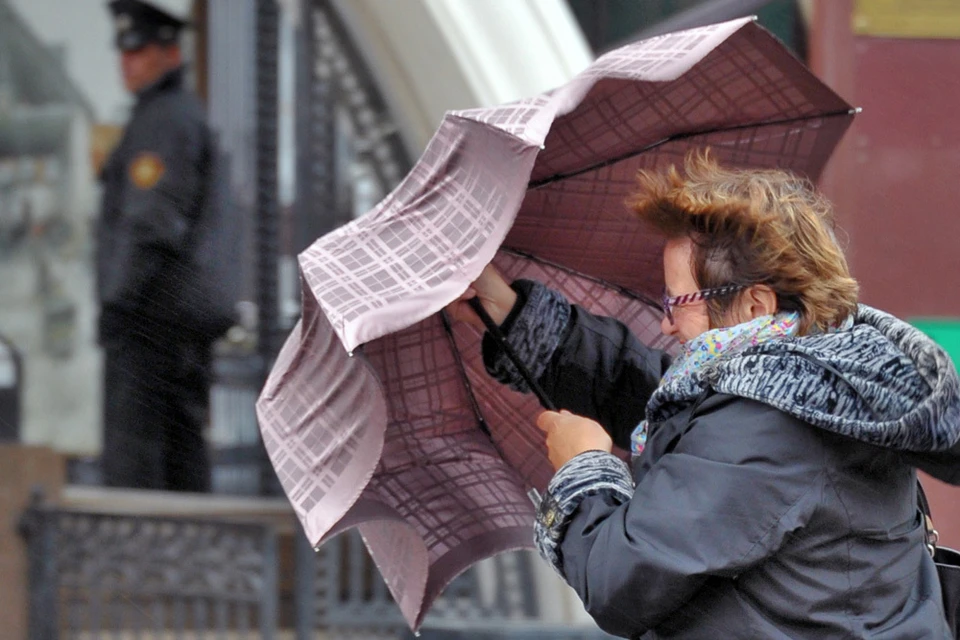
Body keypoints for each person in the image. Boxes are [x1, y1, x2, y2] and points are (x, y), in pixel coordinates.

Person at [447, 151, 960, 638]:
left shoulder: (768, 423)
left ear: (755, 304)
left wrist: (583, 471)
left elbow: (620, 580)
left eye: (678, 301)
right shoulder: (817, 383)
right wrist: (513, 316)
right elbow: (671, 407)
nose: (666, 323)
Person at [96, 0, 226, 492]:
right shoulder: (167, 115)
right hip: (168, 318)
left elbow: (151, 224)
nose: (127, 63)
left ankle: (144, 567)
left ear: (171, 55)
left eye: (141, 51)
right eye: (125, 53)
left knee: (140, 463)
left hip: (151, 320)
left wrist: (116, 302)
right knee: (176, 453)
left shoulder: (164, 121)